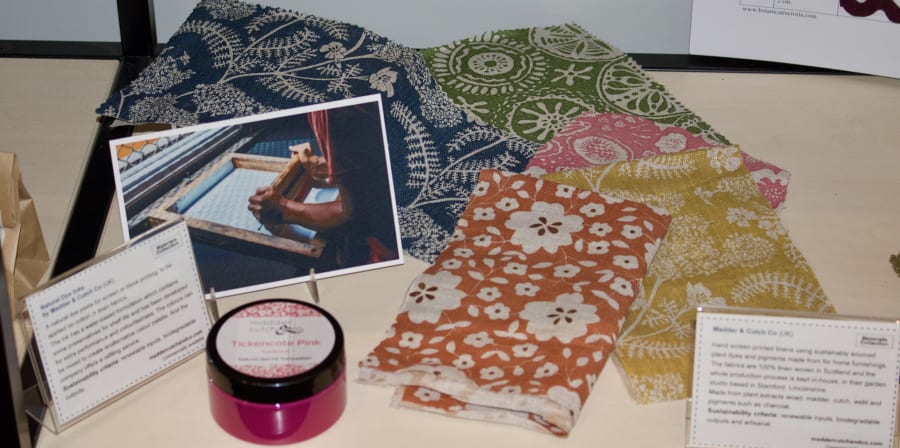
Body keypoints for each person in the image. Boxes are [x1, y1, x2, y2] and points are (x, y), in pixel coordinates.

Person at [247, 102, 397, 268]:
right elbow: (373, 158)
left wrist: (282, 208)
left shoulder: (338, 112)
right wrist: (319, 164)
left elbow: (357, 215)